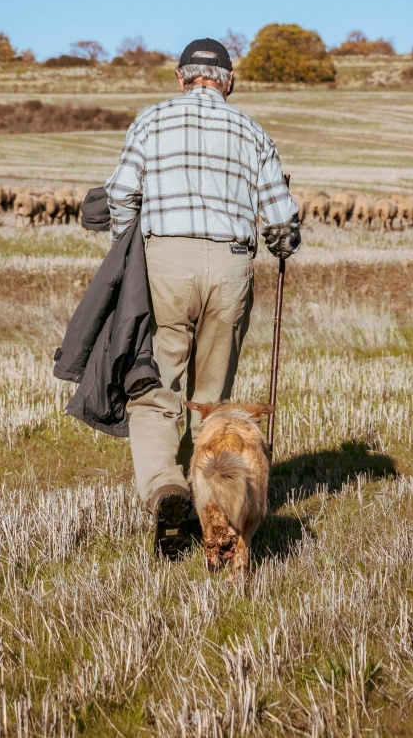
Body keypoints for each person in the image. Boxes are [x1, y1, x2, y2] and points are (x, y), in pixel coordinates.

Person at [105, 37, 300, 556]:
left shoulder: (151, 120)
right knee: (209, 400)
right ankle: (205, 502)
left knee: (155, 386)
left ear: (180, 77)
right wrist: (281, 239)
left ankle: (164, 488)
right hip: (231, 266)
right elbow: (283, 221)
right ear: (229, 82)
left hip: (165, 261)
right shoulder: (251, 130)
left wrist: (127, 251)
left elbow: (121, 194)